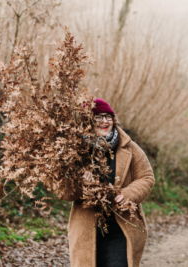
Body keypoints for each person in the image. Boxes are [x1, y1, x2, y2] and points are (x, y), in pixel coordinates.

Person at [62, 98, 155, 267]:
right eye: (98, 117)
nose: (104, 121)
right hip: (87, 227)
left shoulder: (129, 147)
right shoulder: (75, 150)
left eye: (108, 117)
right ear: (89, 121)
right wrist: (80, 183)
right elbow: (64, 192)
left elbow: (147, 177)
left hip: (121, 225)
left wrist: (128, 194)